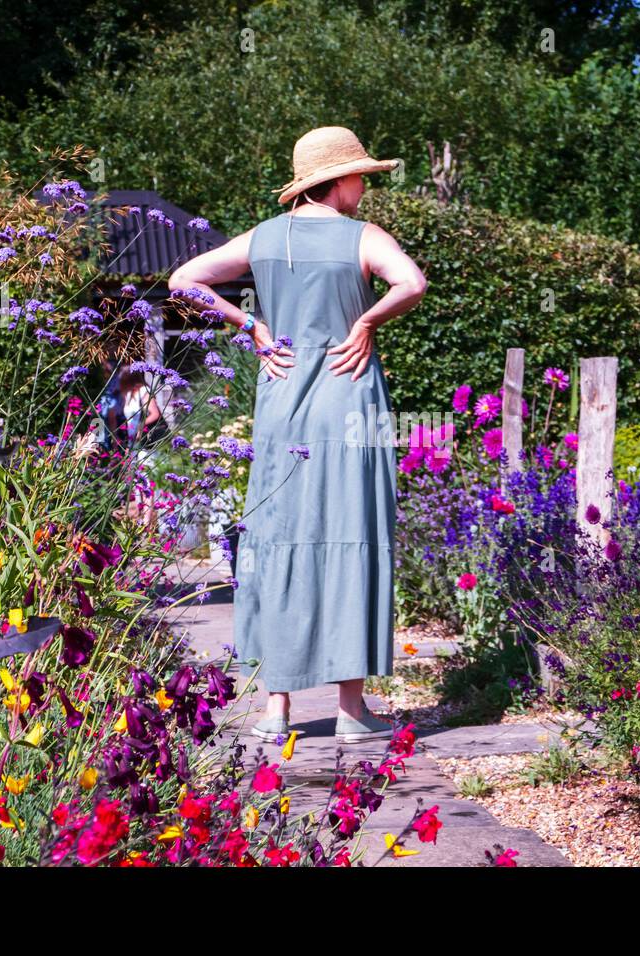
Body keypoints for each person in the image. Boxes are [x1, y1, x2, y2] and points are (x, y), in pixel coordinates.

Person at [167, 126, 427, 743]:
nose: (365, 185)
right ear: (335, 182)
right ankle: (350, 709)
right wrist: (366, 320)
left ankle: (275, 708)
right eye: (361, 175)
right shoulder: (364, 237)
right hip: (349, 398)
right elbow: (411, 284)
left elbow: (184, 280)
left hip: (282, 401)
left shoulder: (264, 237)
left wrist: (249, 324)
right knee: (351, 533)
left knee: (278, 538)